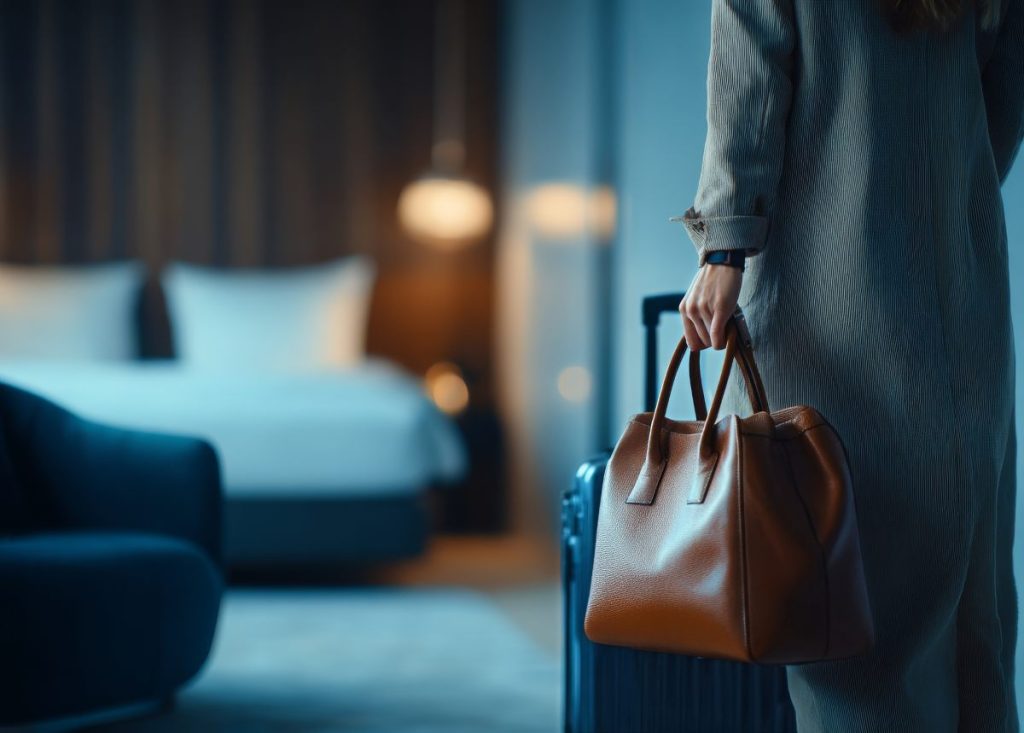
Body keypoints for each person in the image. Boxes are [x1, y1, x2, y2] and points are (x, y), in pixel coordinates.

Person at [677, 0, 1023, 730]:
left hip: (828, 302)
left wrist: (723, 248)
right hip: (962, 292)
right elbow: (1006, 102)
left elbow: (749, 85)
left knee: (847, 636)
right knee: (975, 623)